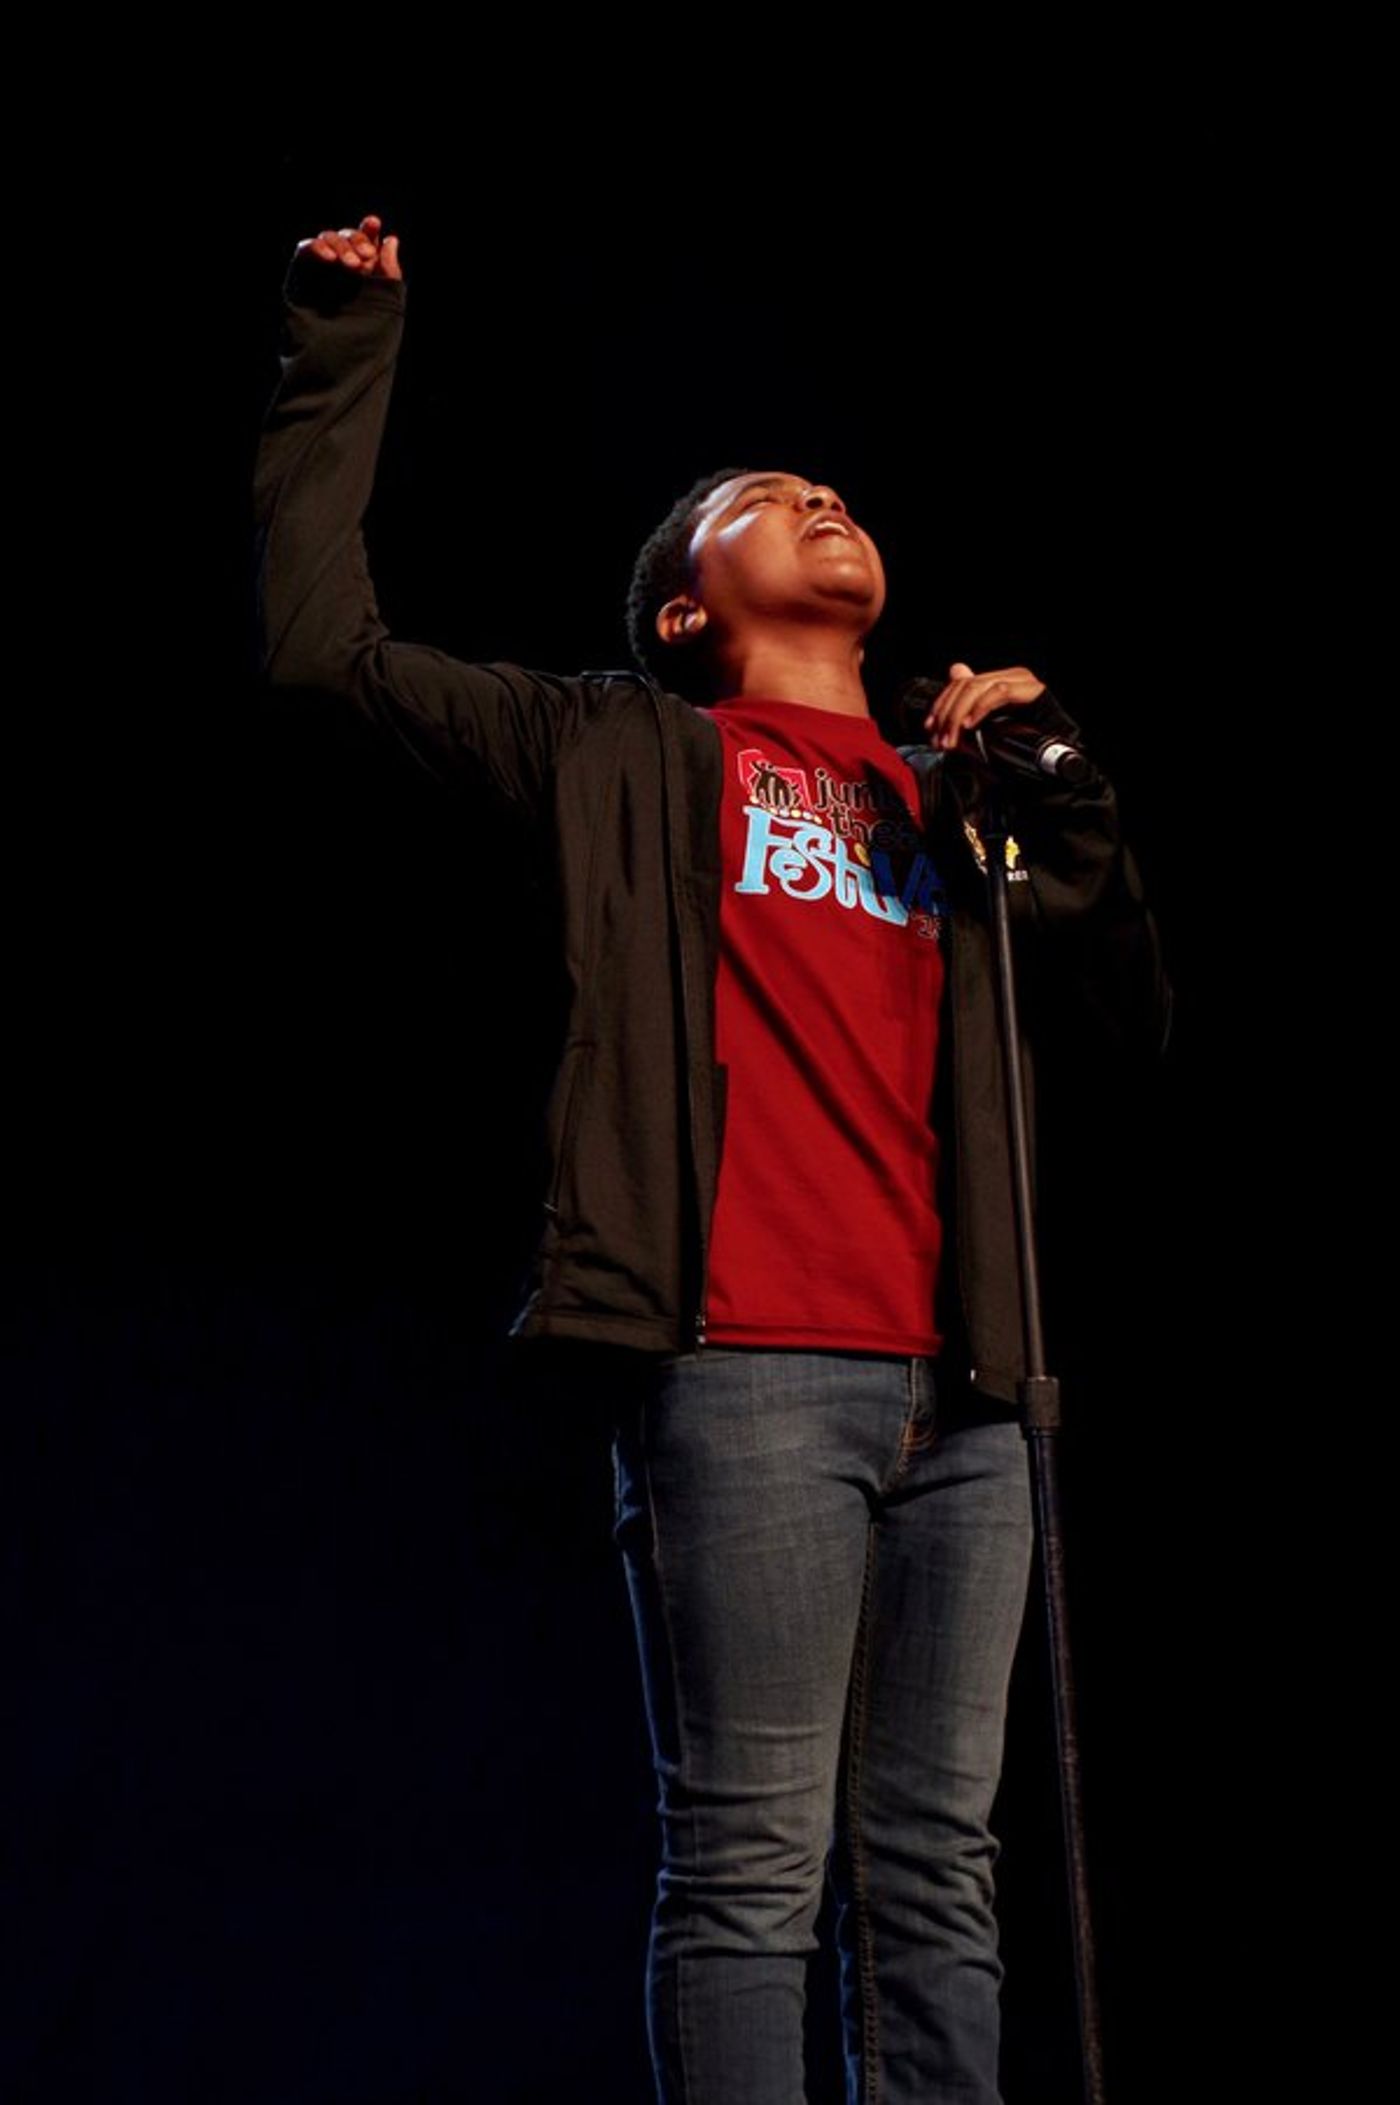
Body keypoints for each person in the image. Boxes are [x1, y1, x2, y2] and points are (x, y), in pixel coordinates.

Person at [254, 214, 1170, 2105]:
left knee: (941, 1881)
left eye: (829, 484)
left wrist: (1059, 773)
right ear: (686, 610)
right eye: (762, 497)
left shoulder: (955, 806)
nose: (820, 493)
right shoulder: (623, 754)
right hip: (744, 1370)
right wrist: (344, 346)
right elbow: (322, 650)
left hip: (971, 1397)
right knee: (755, 1872)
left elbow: (1131, 1011)